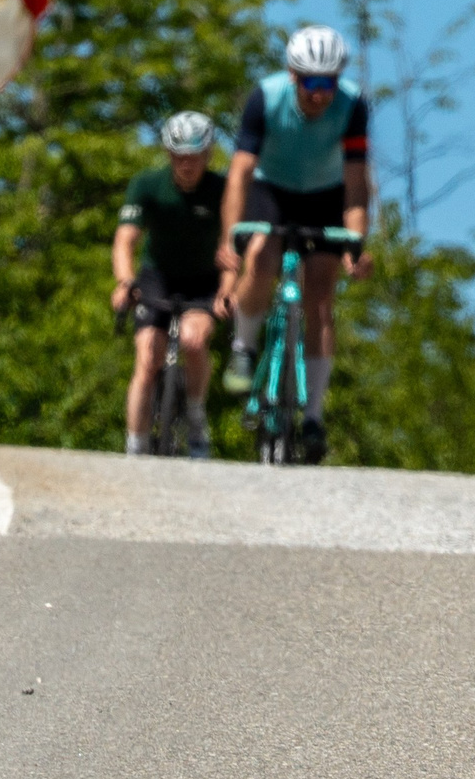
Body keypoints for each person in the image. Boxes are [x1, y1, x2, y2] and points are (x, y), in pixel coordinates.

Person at [217, 25, 372, 462]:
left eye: (329, 83)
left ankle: (314, 417)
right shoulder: (265, 98)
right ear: (293, 76)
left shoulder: (354, 104)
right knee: (261, 256)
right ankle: (244, 347)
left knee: (321, 299)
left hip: (326, 195)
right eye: (311, 83)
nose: (320, 94)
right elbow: (240, 174)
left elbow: (358, 185)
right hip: (273, 191)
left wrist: (356, 244)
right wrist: (231, 236)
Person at [112, 111, 232, 456]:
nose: (186, 165)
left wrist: (227, 291)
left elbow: (233, 249)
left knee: (194, 343)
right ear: (168, 154)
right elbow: (125, 240)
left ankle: (195, 413)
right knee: (148, 358)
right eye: (179, 157)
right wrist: (124, 281)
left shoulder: (222, 190)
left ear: (208, 155)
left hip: (203, 281)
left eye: (194, 158)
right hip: (157, 278)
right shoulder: (147, 185)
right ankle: (135, 444)